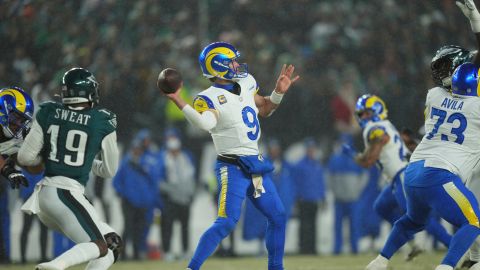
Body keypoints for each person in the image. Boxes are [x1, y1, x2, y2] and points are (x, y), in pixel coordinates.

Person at [365, 2, 480, 269]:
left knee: (412, 221)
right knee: (473, 222)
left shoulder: (435, 96)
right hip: (442, 175)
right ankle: (448, 266)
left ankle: (380, 261)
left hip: (414, 171)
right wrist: (475, 21)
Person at [165, 41, 299, 270]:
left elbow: (265, 109)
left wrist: (278, 93)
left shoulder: (247, 83)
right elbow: (206, 123)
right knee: (227, 222)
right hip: (232, 167)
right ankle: (192, 268)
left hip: (255, 165)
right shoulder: (207, 97)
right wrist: (179, 101)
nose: (237, 64)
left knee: (277, 215)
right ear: (218, 67)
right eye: (231, 61)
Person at [17, 67, 122, 270]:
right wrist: (86, 159)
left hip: (45, 198)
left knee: (111, 244)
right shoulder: (102, 119)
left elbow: (25, 157)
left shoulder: (48, 110)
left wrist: (61, 156)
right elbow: (109, 171)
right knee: (100, 245)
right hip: (66, 194)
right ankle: (54, 266)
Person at [113, 128, 159, 260]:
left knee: (139, 229)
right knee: (128, 228)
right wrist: (124, 194)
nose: (137, 151)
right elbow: (116, 182)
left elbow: (153, 182)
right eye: (135, 148)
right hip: (128, 202)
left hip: (143, 202)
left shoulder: (146, 162)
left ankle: (137, 254)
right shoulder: (126, 163)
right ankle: (122, 255)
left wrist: (149, 198)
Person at [158, 127, 196, 261]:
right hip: (170, 198)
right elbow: (159, 179)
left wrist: (190, 194)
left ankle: (186, 250)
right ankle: (167, 251)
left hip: (185, 197)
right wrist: (171, 191)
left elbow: (191, 176)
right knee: (167, 226)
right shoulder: (162, 157)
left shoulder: (186, 156)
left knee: (185, 226)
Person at [327, 134, 368, 254]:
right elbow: (329, 177)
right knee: (338, 227)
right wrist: (335, 191)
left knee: (354, 226)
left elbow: (365, 176)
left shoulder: (356, 158)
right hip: (340, 199)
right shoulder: (335, 159)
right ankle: (337, 249)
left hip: (352, 199)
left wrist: (357, 191)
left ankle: (354, 249)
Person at [293, 138, 326, 255]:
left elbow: (321, 183)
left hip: (314, 199)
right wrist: (296, 198)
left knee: (313, 225)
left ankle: (312, 248)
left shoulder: (317, 165)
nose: (311, 151)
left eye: (313, 149)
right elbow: (296, 183)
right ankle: (303, 248)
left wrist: (323, 197)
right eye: (309, 149)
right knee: (304, 226)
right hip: (303, 200)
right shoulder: (300, 165)